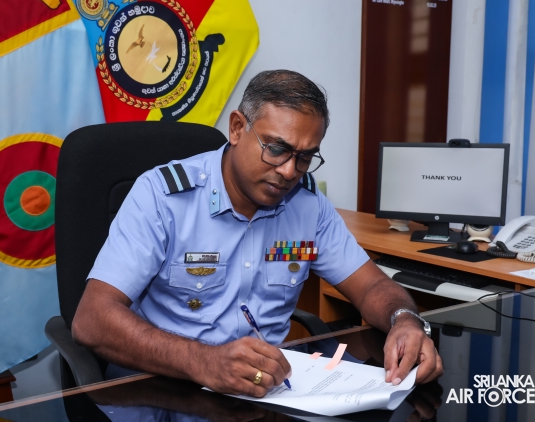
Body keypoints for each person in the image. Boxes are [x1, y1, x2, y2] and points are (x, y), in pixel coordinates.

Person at [72, 70, 443, 398]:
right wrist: (204, 361)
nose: (289, 171)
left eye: (305, 157)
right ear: (237, 128)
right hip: (164, 390)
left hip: (265, 394)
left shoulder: (308, 206)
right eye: (277, 149)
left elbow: (372, 286)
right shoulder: (162, 197)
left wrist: (405, 320)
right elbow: (92, 320)